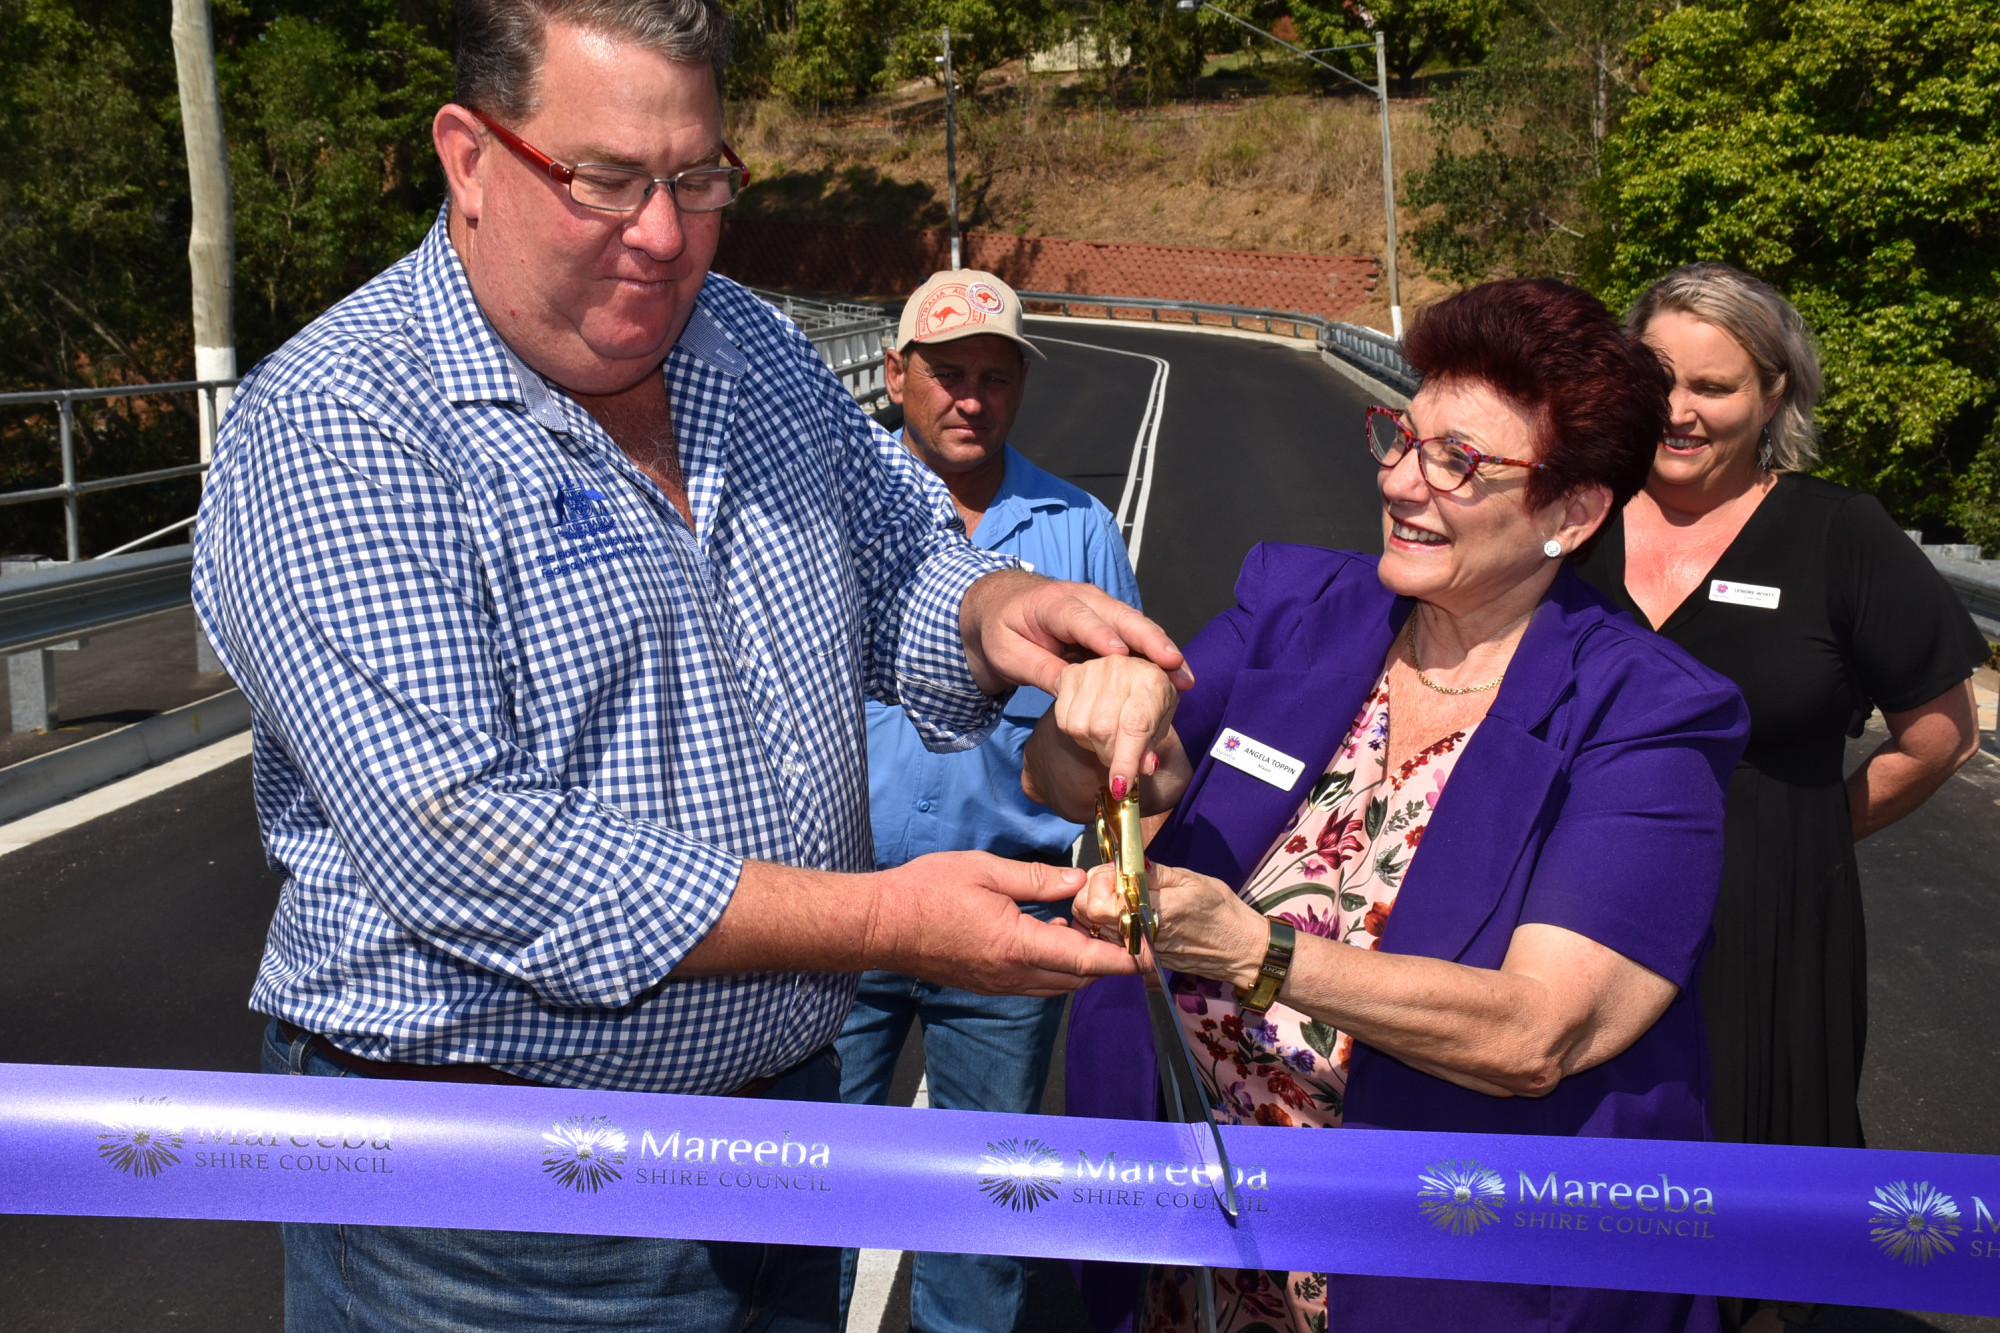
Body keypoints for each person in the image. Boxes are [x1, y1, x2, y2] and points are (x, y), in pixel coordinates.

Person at [190, 3, 1170, 1328]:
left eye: (696, 179)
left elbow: (895, 563)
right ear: (470, 158)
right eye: (603, 180)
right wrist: (885, 923)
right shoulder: (342, 423)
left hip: (781, 1150)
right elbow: (472, 847)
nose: (663, 235)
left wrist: (1005, 608)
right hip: (491, 1215)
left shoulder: (751, 349)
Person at [1025, 278, 1751, 1333]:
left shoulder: (1646, 715)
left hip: (1437, 1273)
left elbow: (1536, 1031)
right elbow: (1097, 779)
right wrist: (1088, 719)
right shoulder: (1296, 606)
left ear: (1571, 511)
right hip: (1184, 1247)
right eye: (1400, 439)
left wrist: (1252, 949)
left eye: (1457, 462)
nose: (1402, 482)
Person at [1573, 263, 1985, 1331]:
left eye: (1713, 387)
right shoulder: (1570, 520)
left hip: (1764, 916)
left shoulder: (1837, 534)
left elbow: (1939, 733)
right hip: (1568, 906)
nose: (1677, 409)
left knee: (1751, 1196)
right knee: (1578, 1175)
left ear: (1770, 395)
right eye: (1655, 377)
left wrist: (1806, 831)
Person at [834, 271, 1143, 1333]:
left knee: (985, 1193)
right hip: (838, 912)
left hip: (1010, 925)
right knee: (802, 1182)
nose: (970, 397)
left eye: (993, 378)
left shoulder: (1078, 528)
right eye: (947, 374)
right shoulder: (827, 499)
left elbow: (1120, 720)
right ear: (895, 375)